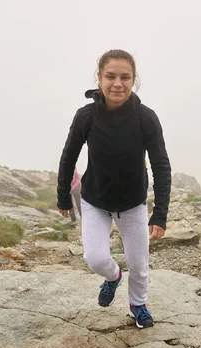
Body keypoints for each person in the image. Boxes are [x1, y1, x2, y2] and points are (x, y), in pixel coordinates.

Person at [57, 49, 171, 329]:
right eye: (110, 76)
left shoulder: (146, 118)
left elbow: (161, 166)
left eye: (125, 77)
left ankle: (137, 305)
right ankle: (112, 277)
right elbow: (69, 155)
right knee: (95, 258)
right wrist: (63, 195)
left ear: (134, 81)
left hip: (132, 204)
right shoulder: (86, 116)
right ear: (100, 78)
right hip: (94, 200)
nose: (117, 83)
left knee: (139, 264)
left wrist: (160, 214)